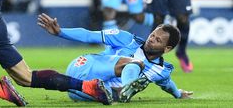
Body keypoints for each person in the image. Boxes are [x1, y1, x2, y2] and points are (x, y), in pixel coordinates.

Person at [37, 13, 194, 103]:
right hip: (85, 67)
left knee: (112, 95)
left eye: (158, 40)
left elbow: (167, 84)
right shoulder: (125, 38)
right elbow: (89, 35)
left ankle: (119, 93)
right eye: (152, 35)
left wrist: (178, 94)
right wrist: (60, 32)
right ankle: (128, 88)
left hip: (84, 90)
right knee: (136, 64)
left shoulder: (160, 70)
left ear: (167, 49)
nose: (151, 39)